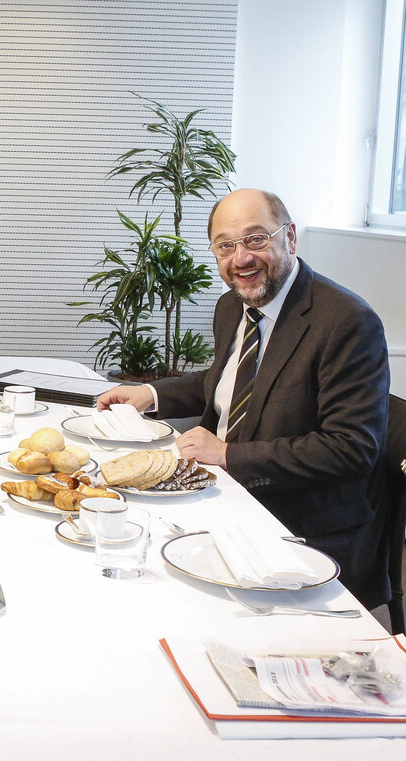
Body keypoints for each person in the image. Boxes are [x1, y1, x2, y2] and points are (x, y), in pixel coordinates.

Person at [98, 188, 390, 607]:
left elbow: (350, 448)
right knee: (116, 544)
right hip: (218, 498)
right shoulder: (231, 307)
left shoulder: (346, 322)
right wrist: (148, 393)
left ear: (289, 237)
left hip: (293, 527)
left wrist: (228, 454)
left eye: (256, 239)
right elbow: (226, 384)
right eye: (225, 246)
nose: (241, 258)